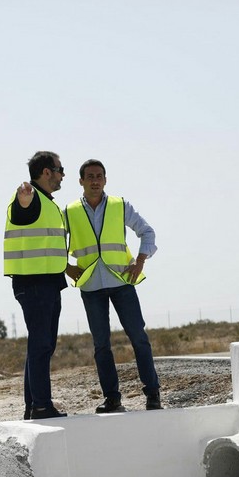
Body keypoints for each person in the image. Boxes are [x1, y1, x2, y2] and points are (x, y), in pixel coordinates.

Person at [65, 159, 161, 412]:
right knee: (101, 345)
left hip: (121, 281)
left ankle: (153, 393)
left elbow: (147, 232)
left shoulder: (120, 205)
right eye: (90, 176)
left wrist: (140, 260)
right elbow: (53, 243)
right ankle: (112, 399)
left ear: (105, 180)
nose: (95, 181)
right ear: (81, 181)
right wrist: (66, 267)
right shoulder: (70, 211)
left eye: (99, 176)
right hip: (91, 285)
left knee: (139, 338)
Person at [3, 151, 68, 419]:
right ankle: (41, 406)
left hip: (48, 281)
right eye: (60, 169)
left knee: (42, 346)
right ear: (46, 172)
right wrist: (24, 199)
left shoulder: (48, 202)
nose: (63, 175)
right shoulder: (31, 197)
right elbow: (22, 210)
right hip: (34, 283)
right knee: (41, 345)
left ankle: (34, 406)